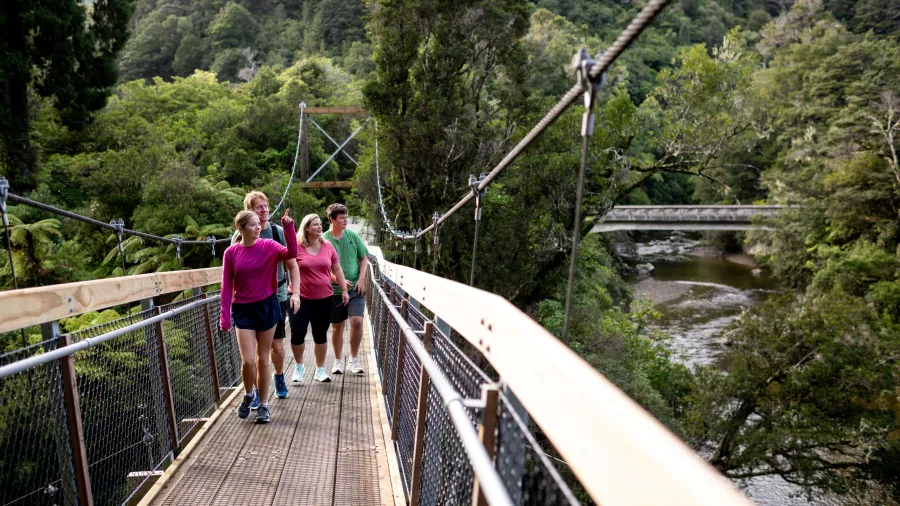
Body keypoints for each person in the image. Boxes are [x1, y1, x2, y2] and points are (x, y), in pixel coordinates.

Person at [221, 209, 299, 423]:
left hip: (267, 305)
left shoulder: (269, 246)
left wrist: (289, 226)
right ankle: (249, 394)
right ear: (241, 228)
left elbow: (292, 253)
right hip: (243, 309)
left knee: (263, 359)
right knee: (247, 360)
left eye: (259, 224)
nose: (259, 227)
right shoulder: (231, 253)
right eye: (253, 224)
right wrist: (224, 317)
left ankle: (263, 405)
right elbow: (227, 286)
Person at [288, 214, 350, 384]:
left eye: (320, 224)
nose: (319, 227)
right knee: (297, 334)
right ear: (306, 227)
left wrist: (344, 290)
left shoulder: (327, 246)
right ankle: (299, 367)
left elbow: (337, 270)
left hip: (324, 297)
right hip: (300, 297)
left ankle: (320, 369)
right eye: (315, 224)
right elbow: (288, 264)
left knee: (320, 335)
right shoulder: (297, 246)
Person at [323, 203, 368, 375]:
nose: (345, 220)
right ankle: (338, 360)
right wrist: (338, 280)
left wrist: (362, 280)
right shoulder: (325, 240)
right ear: (332, 219)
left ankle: (353, 359)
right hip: (333, 290)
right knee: (337, 326)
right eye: (341, 217)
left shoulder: (353, 236)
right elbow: (323, 267)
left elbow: (363, 259)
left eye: (346, 217)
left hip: (355, 288)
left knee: (357, 321)